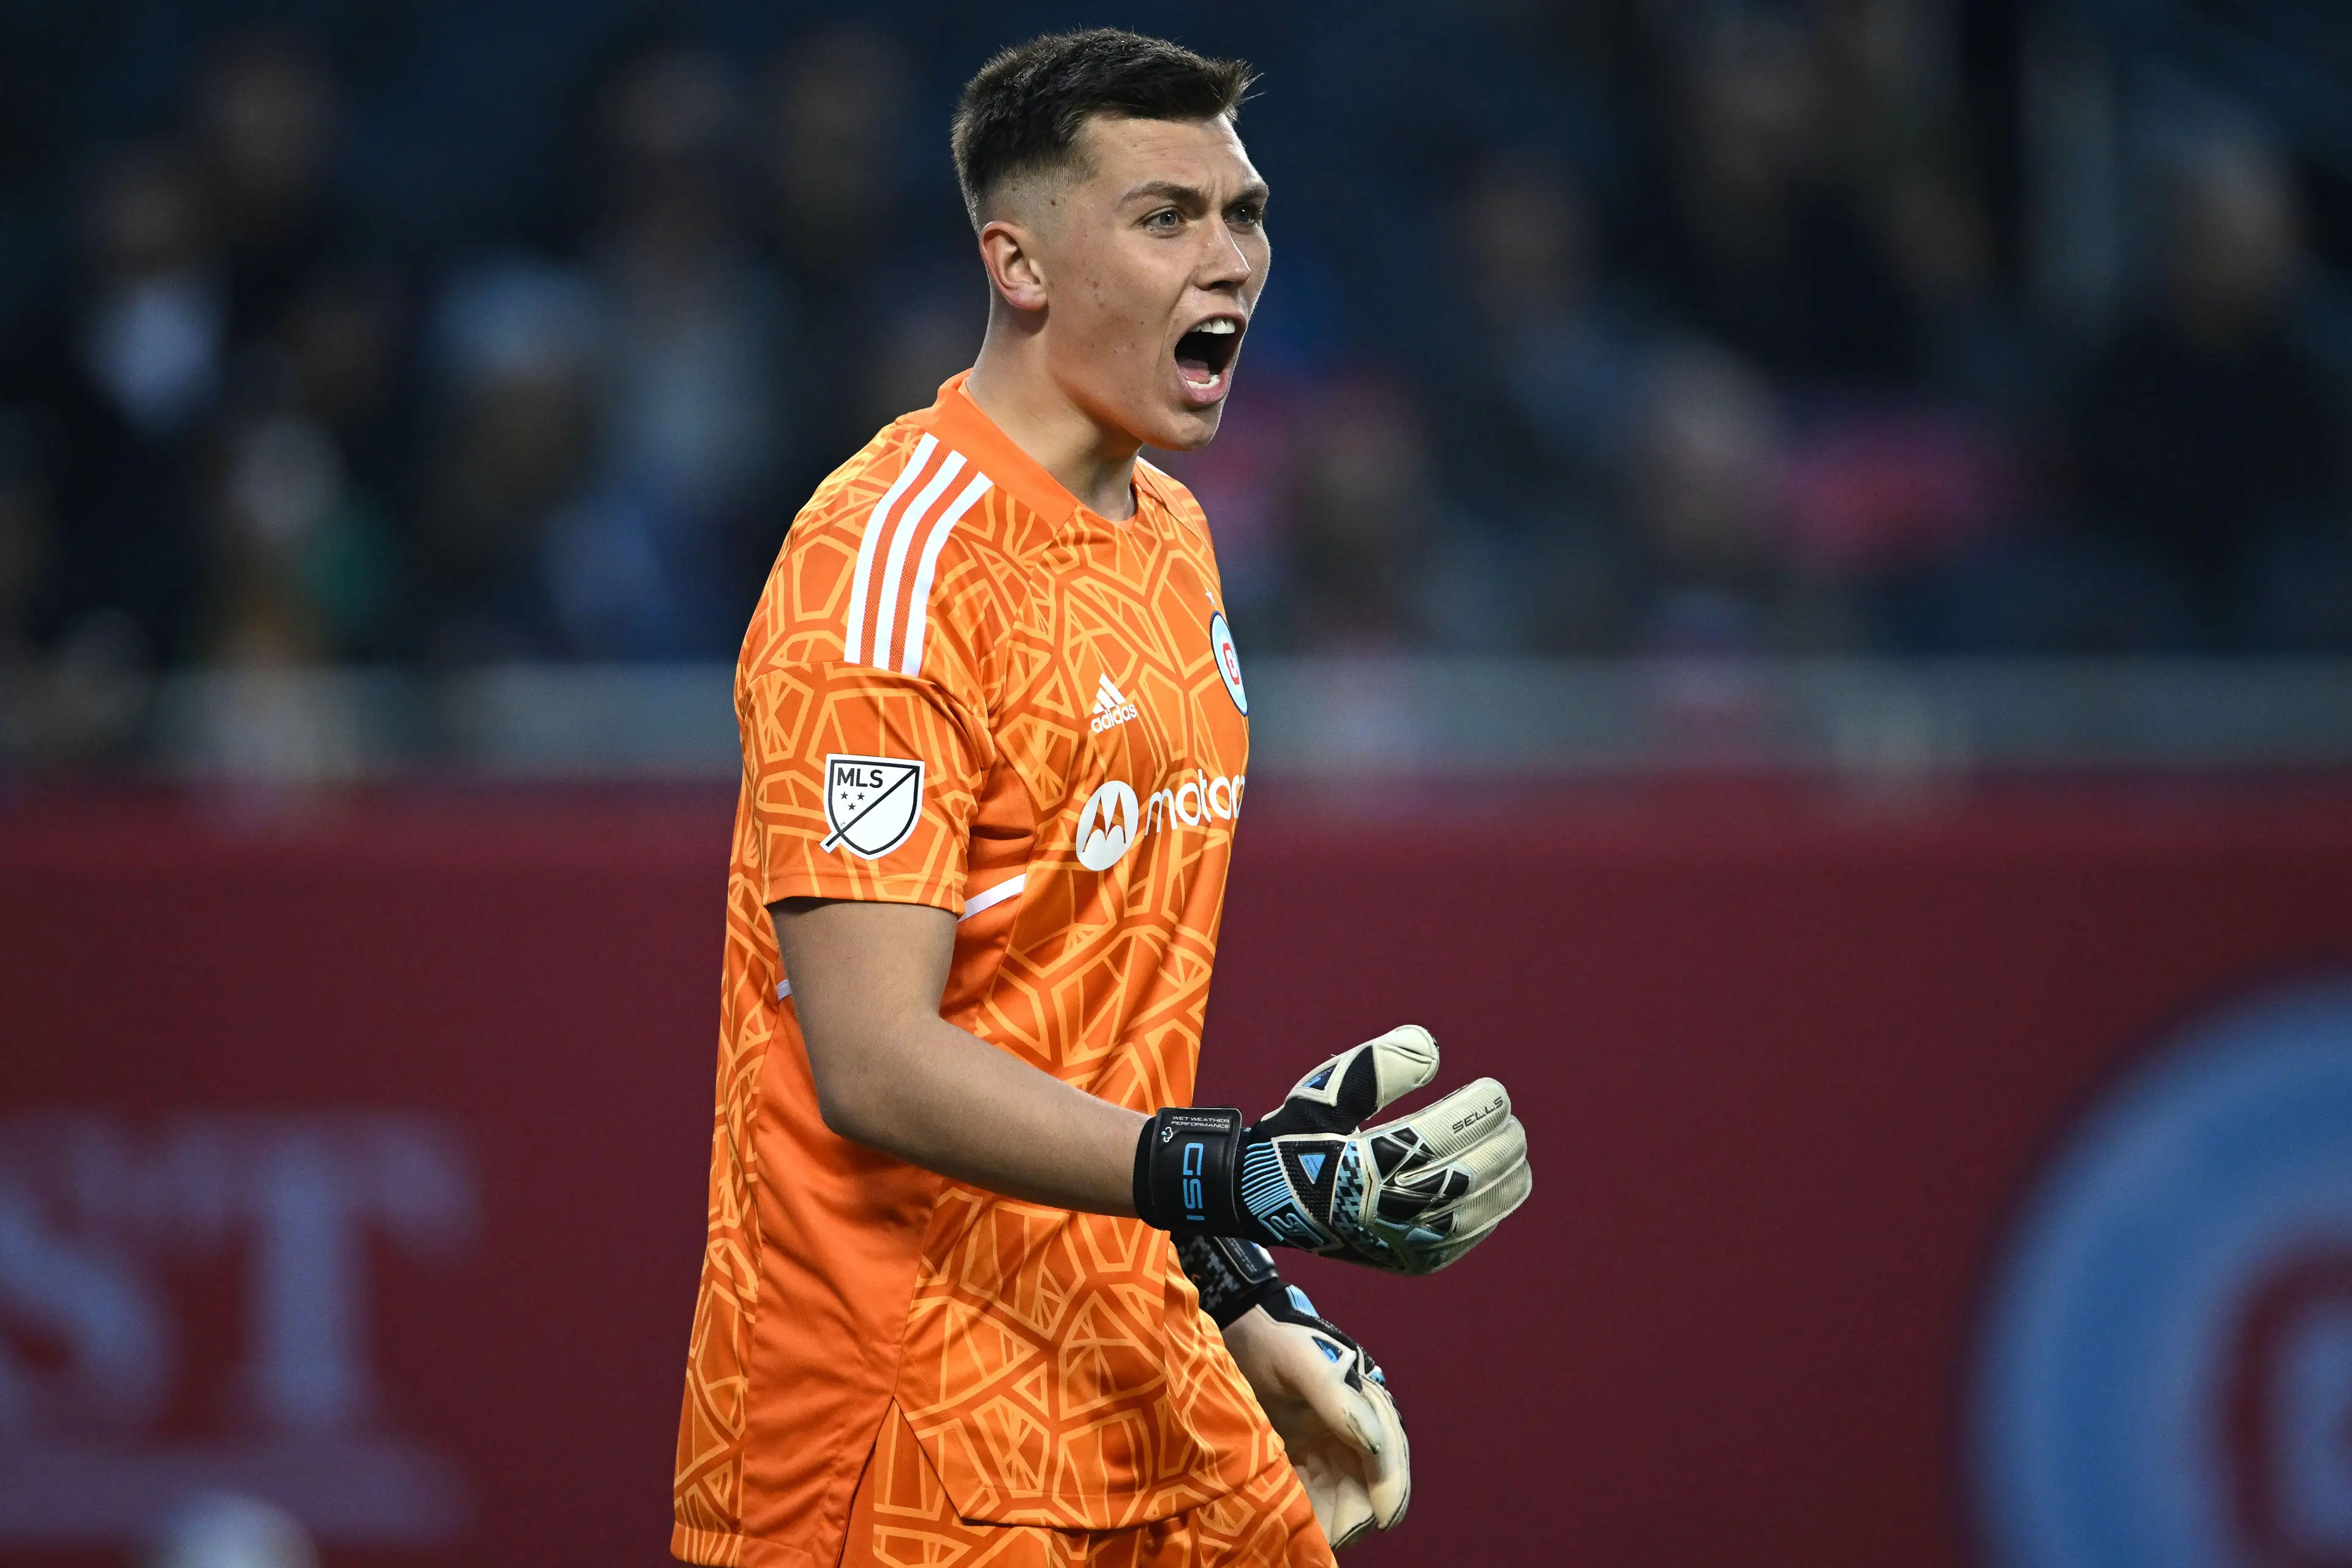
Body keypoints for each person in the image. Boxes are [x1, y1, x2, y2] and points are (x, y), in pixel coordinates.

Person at [671, 29, 1533, 1568]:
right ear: (1019, 263)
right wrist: (1242, 1173)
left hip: (1136, 1382)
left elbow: (1067, 1029)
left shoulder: (1176, 542)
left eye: (1244, 212)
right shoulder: (886, 568)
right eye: (1165, 217)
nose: (1232, 260)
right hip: (893, 1442)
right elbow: (872, 1059)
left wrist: (1241, 1284)